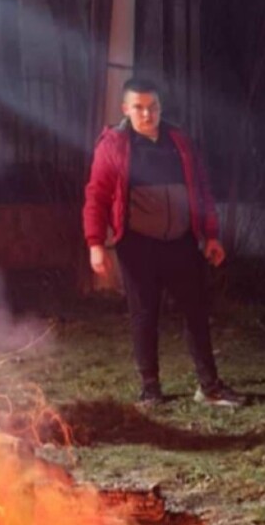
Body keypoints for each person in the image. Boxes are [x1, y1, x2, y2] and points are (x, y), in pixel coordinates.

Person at [83, 76, 245, 408]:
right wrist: (96, 243)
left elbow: (200, 189)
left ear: (161, 108)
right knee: (144, 315)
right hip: (138, 246)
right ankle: (150, 387)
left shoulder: (179, 141)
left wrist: (210, 235)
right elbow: (96, 196)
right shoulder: (114, 144)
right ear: (125, 108)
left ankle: (209, 386)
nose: (147, 114)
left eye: (153, 107)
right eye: (139, 108)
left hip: (182, 242)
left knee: (197, 312)